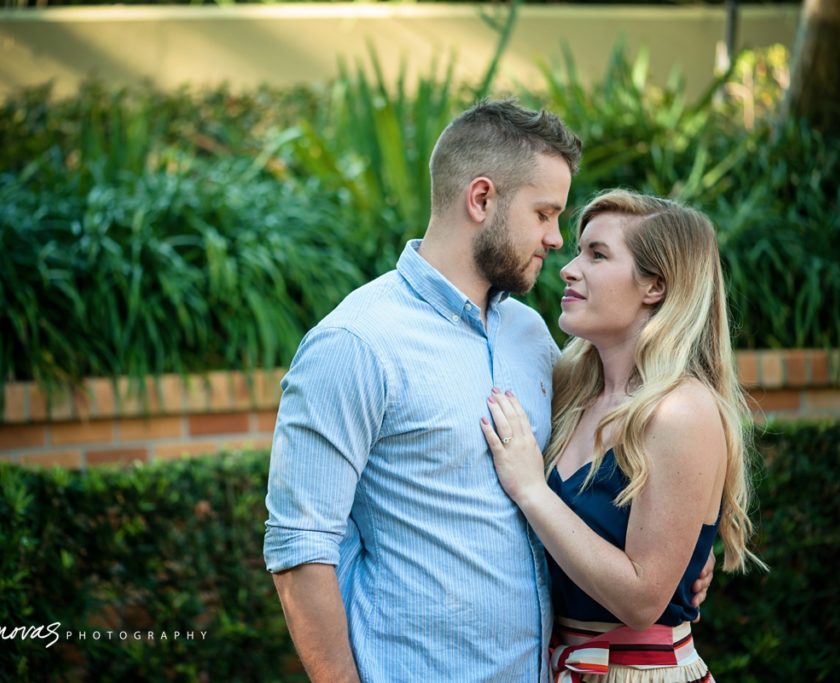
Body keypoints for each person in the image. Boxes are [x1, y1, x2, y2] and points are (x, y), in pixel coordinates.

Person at [263, 101, 711, 682]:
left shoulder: (532, 336)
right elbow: (301, 549)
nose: (556, 240)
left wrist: (686, 560)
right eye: (545, 213)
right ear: (481, 199)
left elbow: (605, 487)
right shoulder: (356, 343)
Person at [481, 189, 765, 683]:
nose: (568, 268)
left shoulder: (682, 410)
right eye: (577, 251)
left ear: (654, 285)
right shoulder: (566, 388)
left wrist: (530, 490)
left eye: (597, 255)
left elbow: (641, 600)